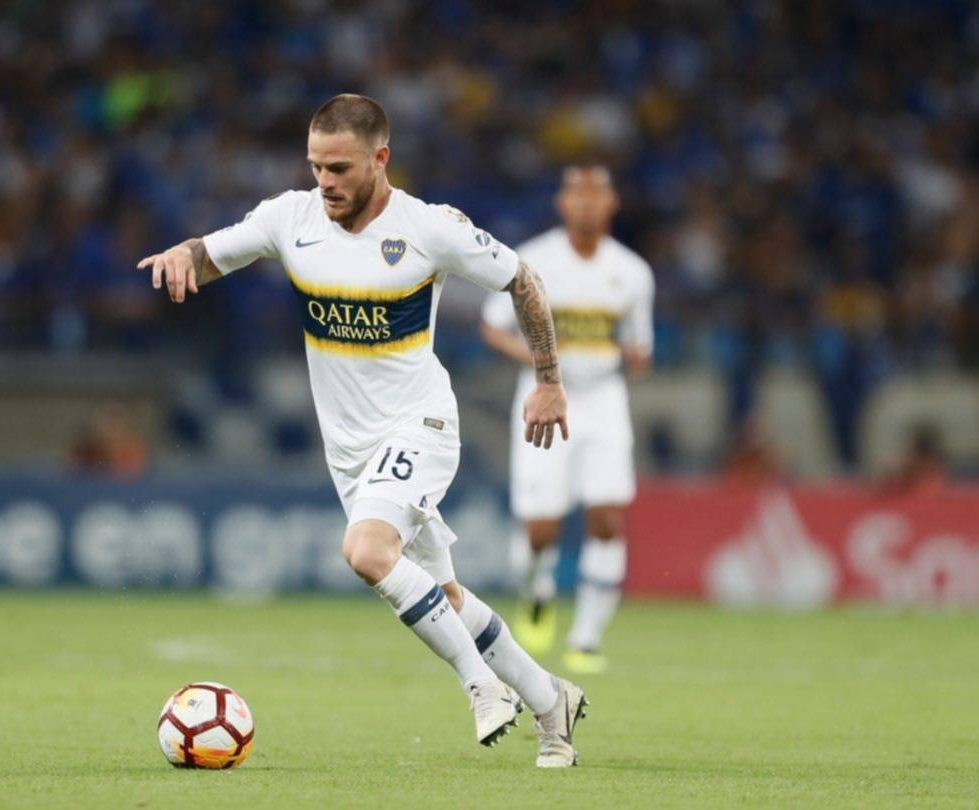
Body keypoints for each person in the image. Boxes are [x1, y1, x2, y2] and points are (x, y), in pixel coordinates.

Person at [137, 95, 587, 767]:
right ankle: (552, 703)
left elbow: (524, 281)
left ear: (380, 159)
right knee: (444, 597)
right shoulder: (289, 218)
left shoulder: (429, 228)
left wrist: (548, 380)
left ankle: (481, 687)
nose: (325, 182)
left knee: (366, 551)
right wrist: (184, 253)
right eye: (316, 166)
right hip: (350, 450)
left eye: (340, 168)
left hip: (420, 423)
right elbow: (211, 255)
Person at [480, 166, 654, 675]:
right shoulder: (534, 260)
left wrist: (633, 357)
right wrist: (542, 361)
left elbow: (640, 347)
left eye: (596, 195)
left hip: (603, 400)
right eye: (577, 194)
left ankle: (586, 638)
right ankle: (536, 586)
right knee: (541, 529)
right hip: (542, 396)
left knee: (608, 519)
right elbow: (493, 327)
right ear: (562, 203)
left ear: (612, 204)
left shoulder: (632, 272)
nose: (586, 204)